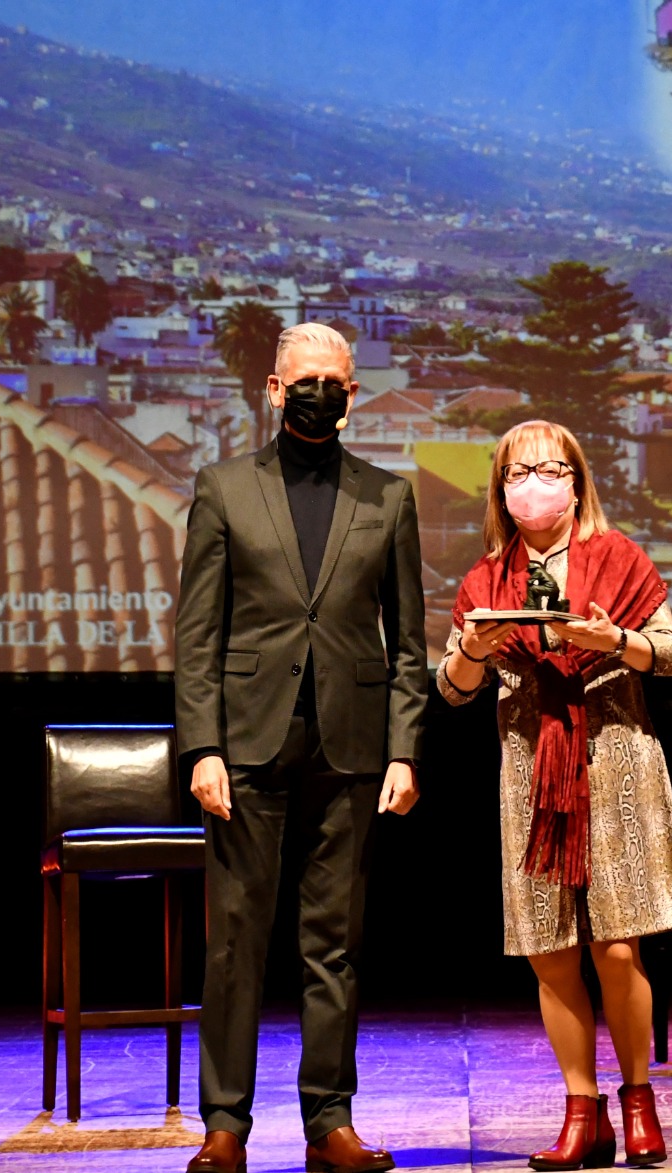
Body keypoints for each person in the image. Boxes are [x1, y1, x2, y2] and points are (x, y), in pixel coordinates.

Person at [175, 322, 427, 1173]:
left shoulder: (389, 498)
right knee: (236, 941)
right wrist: (200, 746)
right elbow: (197, 634)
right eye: (304, 377)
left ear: (352, 396)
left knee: (335, 944)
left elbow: (410, 643)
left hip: (353, 751)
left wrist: (406, 750)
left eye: (335, 379)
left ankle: (330, 1122)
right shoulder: (222, 488)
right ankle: (225, 1126)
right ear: (275, 390)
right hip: (245, 747)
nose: (320, 389)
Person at [437, 420, 672, 1171]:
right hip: (528, 770)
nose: (533, 483)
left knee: (617, 947)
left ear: (577, 483)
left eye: (550, 468)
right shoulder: (488, 578)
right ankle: (582, 1108)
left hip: (614, 762)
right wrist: (472, 650)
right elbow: (453, 691)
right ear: (501, 490)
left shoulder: (618, 558)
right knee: (551, 951)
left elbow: (670, 654)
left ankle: (638, 1097)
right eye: (517, 473)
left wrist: (612, 640)